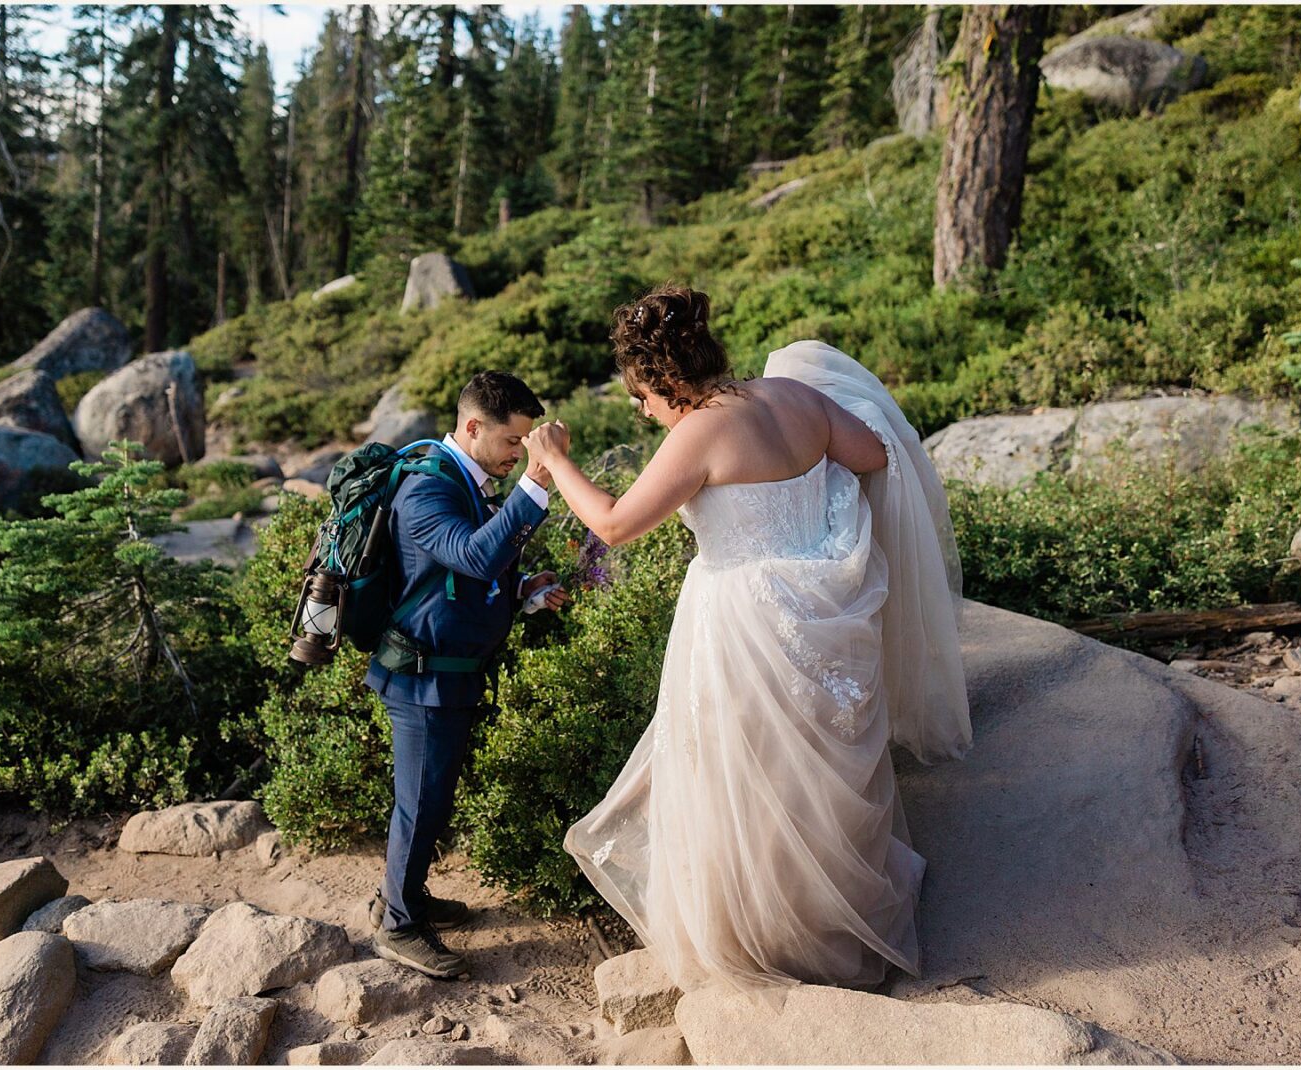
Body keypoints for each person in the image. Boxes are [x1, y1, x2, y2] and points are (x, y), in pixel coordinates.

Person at [530, 285, 972, 997]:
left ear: (669, 379)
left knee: (748, 780)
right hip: (829, 613)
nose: (644, 411)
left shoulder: (698, 432)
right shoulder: (792, 397)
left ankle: (772, 940)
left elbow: (612, 524)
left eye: (642, 396)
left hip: (744, 625)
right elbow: (873, 455)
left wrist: (554, 459)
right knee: (818, 775)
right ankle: (835, 920)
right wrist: (816, 518)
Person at [367, 370, 571, 979]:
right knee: (420, 801)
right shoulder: (427, 487)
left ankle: (409, 896)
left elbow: (467, 576)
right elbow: (475, 554)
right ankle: (398, 925)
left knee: (432, 797)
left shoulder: (466, 478)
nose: (519, 453)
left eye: (526, 444)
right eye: (513, 443)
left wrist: (523, 591)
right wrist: (537, 483)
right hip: (421, 677)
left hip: (448, 672)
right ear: (473, 427)